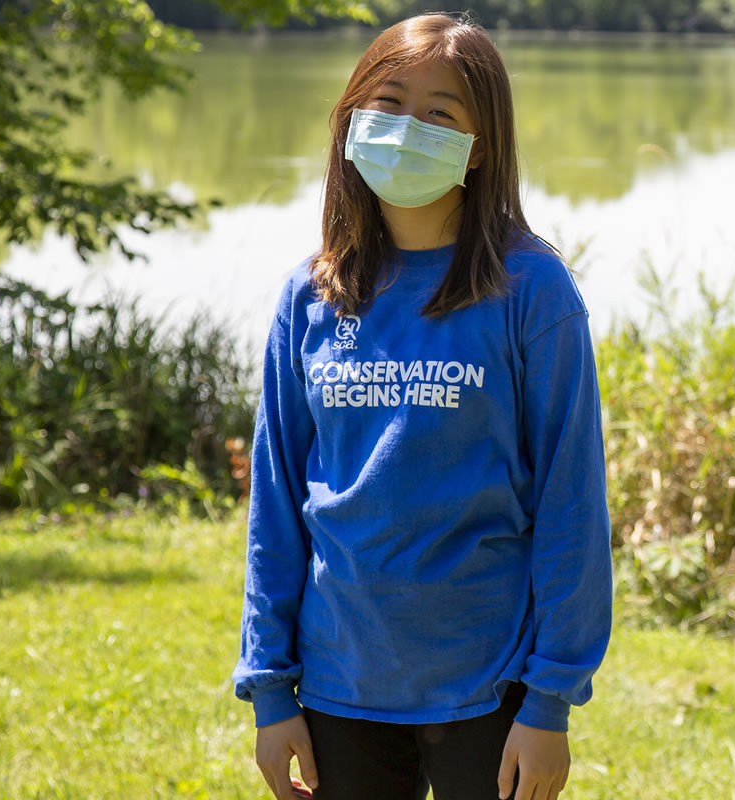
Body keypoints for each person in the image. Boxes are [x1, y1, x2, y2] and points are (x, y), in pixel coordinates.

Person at [231, 13, 614, 800]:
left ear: (483, 145)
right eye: (390, 104)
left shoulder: (533, 292)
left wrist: (550, 701)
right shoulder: (309, 297)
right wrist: (270, 687)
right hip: (341, 679)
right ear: (351, 121)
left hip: (491, 685)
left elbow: (572, 503)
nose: (408, 131)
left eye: (440, 114)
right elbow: (276, 503)